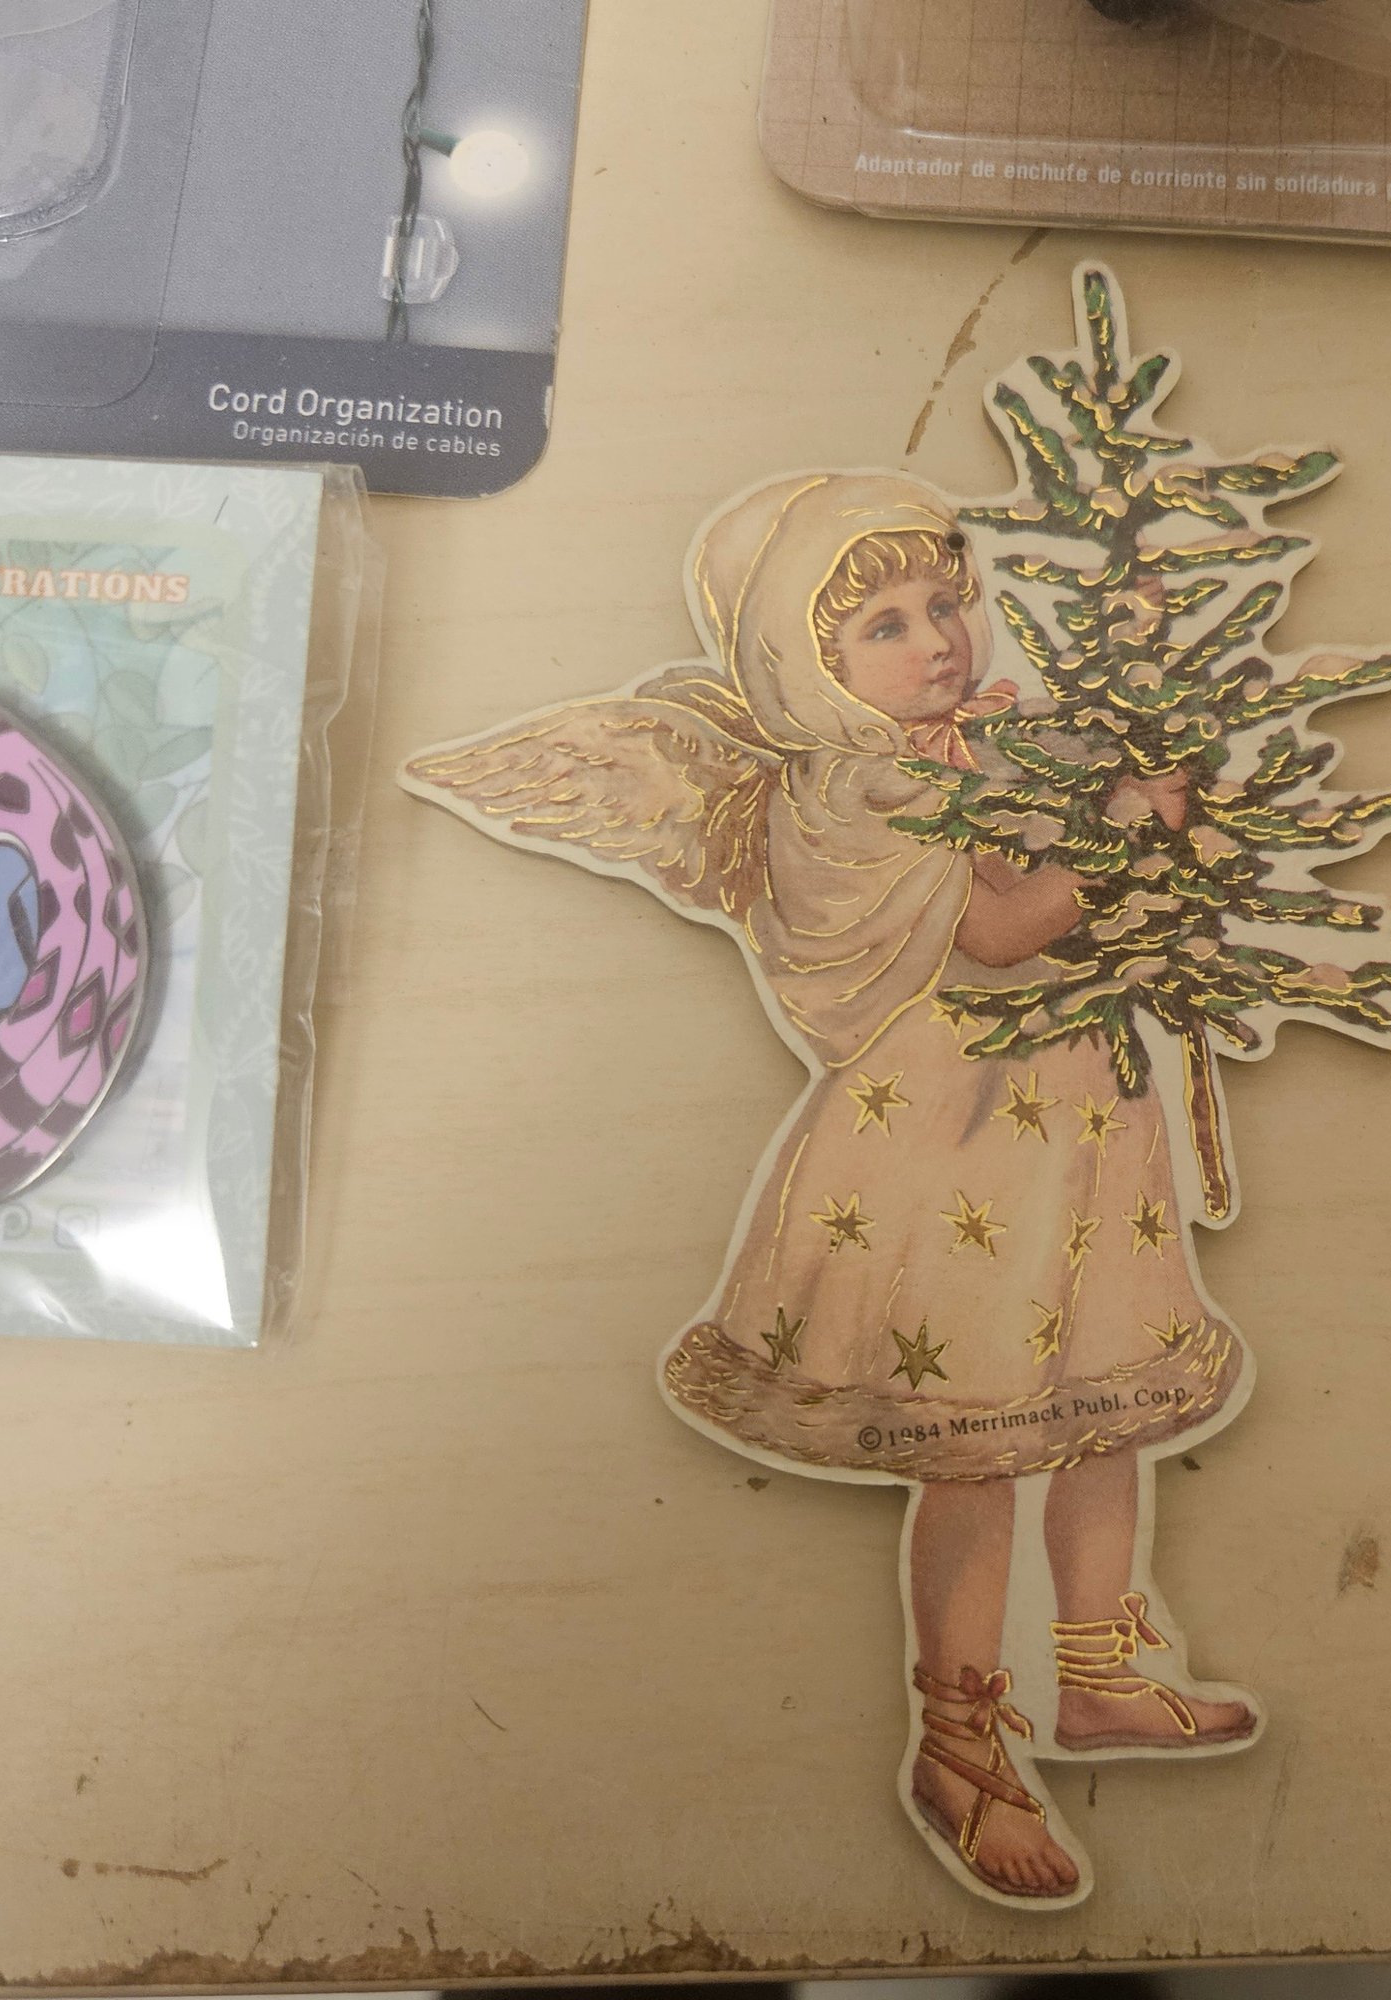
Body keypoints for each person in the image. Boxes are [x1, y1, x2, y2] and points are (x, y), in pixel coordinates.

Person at [405, 472, 1261, 1909]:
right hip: (951, 1146)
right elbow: (999, 934)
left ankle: (1101, 1671)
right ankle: (960, 1745)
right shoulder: (857, 789)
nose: (937, 639)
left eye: (945, 603)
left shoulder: (980, 746)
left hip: (1074, 1118)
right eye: (883, 624)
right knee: (975, 1445)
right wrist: (1128, 840)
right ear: (807, 666)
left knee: (1103, 1406)